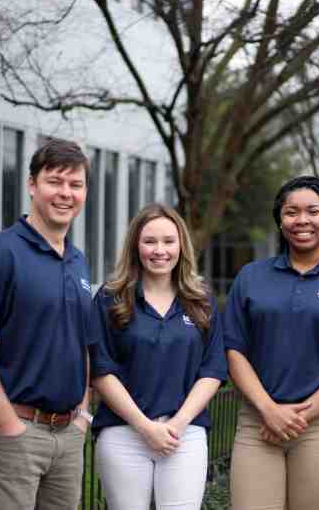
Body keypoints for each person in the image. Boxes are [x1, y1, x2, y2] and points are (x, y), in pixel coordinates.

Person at [224, 176, 319, 510]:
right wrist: (269, 411)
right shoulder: (251, 277)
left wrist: (299, 417)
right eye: (291, 212)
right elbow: (234, 350)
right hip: (258, 420)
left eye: (313, 211)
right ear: (280, 221)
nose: (302, 220)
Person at [0, 139, 95, 510]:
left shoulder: (78, 262)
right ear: (32, 185)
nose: (65, 193)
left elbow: (81, 343)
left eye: (75, 184)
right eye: (55, 181)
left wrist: (81, 415)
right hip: (13, 433)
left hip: (67, 436)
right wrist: (8, 423)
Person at [89, 203, 227, 510]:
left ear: (182, 245)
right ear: (135, 246)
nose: (159, 250)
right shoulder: (111, 299)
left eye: (168, 241)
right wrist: (145, 426)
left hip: (185, 434)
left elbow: (213, 369)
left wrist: (177, 424)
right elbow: (101, 368)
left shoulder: (201, 300)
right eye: (150, 241)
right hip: (123, 433)